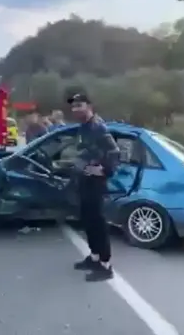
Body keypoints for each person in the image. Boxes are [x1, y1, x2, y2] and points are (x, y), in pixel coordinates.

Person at [67, 87, 121, 282]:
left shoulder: (98, 127)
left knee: (98, 222)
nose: (75, 110)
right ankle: (94, 256)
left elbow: (114, 152)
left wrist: (104, 171)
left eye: (79, 105)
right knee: (88, 220)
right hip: (84, 181)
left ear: (89, 106)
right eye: (73, 107)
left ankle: (106, 265)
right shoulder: (83, 127)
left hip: (95, 183)